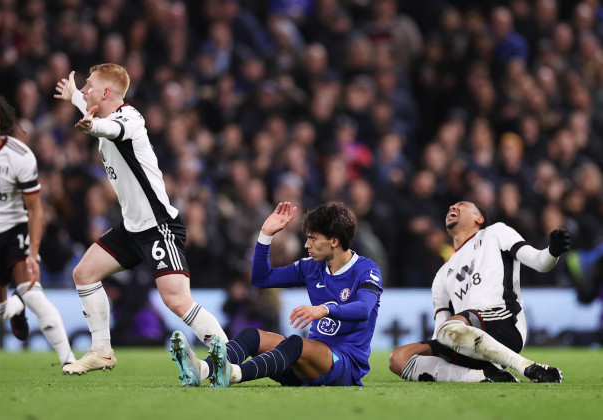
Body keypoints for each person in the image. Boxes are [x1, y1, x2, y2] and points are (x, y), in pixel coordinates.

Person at [54, 64, 228, 375]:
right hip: (132, 228)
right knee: (84, 273)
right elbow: (95, 114)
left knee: (177, 301)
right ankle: (102, 351)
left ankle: (229, 360)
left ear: (107, 93)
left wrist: (91, 125)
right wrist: (74, 99)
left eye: (89, 86)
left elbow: (112, 129)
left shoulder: (130, 119)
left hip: (158, 227)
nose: (84, 90)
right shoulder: (101, 112)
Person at [170, 201, 383, 387]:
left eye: (313, 238)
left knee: (295, 343)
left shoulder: (366, 269)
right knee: (252, 335)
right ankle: (202, 370)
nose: (306, 244)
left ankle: (234, 374)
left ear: (334, 241)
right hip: (303, 364)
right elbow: (261, 279)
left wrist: (324, 309)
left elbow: (364, 309)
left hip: (343, 365)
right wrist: (265, 236)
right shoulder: (311, 267)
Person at [0, 94, 75, 367]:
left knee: (33, 292)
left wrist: (32, 253)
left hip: (15, 229)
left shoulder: (20, 157)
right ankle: (17, 307)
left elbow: (35, 209)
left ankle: (69, 361)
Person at [388, 201, 569, 383]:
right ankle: (485, 375)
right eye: (450, 206)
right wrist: (440, 352)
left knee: (451, 327)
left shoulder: (495, 232)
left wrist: (553, 251)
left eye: (461, 205)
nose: (452, 207)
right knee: (398, 358)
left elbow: (539, 262)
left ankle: (527, 366)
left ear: (479, 218)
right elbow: (441, 330)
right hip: (467, 339)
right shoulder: (442, 275)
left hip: (505, 323)